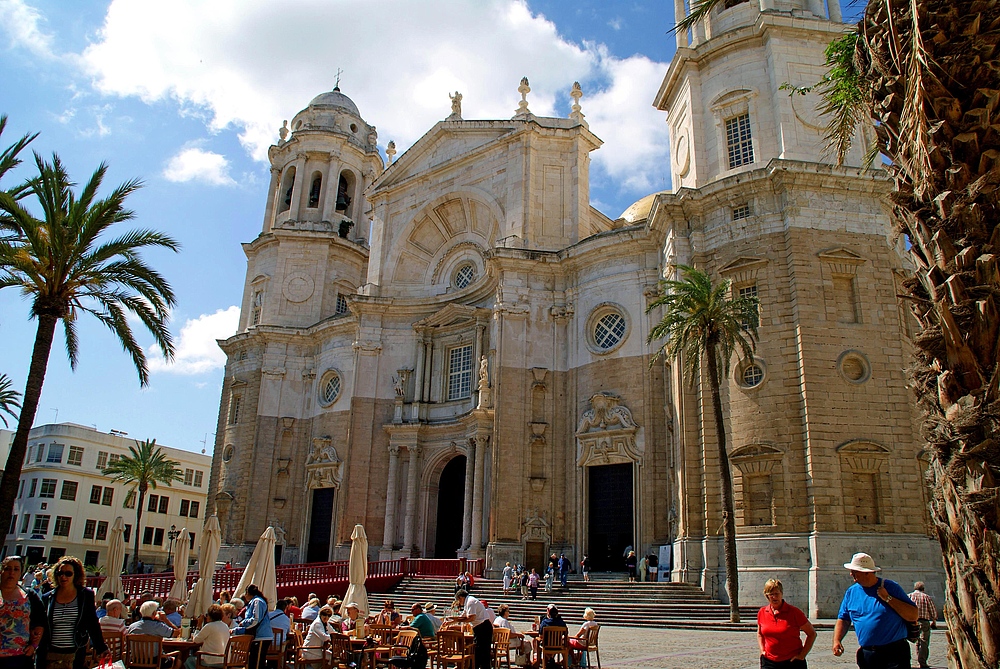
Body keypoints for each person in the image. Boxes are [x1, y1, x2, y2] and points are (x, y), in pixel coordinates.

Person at [832, 553, 918, 669]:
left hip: (894, 653)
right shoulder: (851, 592)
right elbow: (844, 619)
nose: (851, 574)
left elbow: (913, 615)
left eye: (854, 571)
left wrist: (888, 598)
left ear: (867, 572)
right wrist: (837, 640)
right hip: (867, 654)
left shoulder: (891, 587)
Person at [38, 556, 110, 669]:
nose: (63, 576)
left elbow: (92, 623)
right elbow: (40, 624)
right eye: (60, 573)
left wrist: (101, 647)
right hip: (49, 652)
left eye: (68, 573)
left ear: (75, 575)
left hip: (75, 652)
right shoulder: (48, 597)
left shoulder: (85, 595)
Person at [757, 579, 816, 669]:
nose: (774, 597)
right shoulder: (762, 612)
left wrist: (802, 655)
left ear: (782, 594)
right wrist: (762, 650)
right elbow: (760, 634)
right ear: (767, 596)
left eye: (777, 594)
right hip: (769, 661)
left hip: (792, 661)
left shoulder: (794, 612)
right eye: (771, 594)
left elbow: (812, 634)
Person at [0, 555, 45, 669]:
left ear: (21, 572)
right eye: (8, 568)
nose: (11, 572)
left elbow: (40, 622)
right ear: (1, 570)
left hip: (20, 657)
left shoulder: (29, 596)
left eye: (16, 569)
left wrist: (34, 645)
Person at [448, 590, 493, 669]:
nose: (458, 602)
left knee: (482, 651)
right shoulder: (468, 602)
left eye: (458, 600)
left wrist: (457, 620)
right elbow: (464, 615)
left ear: (461, 598)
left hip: (483, 627)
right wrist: (452, 621)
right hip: (479, 627)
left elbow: (471, 617)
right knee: (479, 650)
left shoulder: (470, 602)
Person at [234, 585, 272, 669]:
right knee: (254, 662)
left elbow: (256, 619)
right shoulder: (256, 601)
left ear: (247, 593)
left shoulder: (257, 601)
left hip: (261, 636)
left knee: (257, 663)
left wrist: (243, 623)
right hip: (260, 636)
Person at [185, 604, 231, 669]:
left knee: (188, 661)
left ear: (210, 616)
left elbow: (196, 640)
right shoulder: (225, 626)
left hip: (212, 660)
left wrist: (198, 626)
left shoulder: (209, 626)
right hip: (225, 660)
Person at [908, 582, 937, 669]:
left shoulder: (909, 596)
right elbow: (932, 610)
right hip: (924, 622)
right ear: (923, 589)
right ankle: (922, 662)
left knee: (917, 641)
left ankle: (918, 659)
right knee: (924, 642)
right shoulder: (926, 597)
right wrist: (934, 621)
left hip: (912, 621)